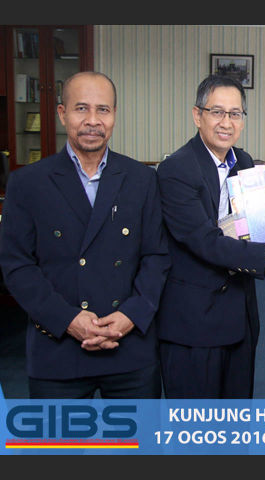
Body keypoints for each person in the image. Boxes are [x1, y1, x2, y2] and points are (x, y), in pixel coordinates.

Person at [0, 71, 170, 398]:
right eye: (81, 108)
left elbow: (157, 256)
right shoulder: (27, 183)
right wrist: (68, 320)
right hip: (57, 348)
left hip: (129, 346)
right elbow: (17, 266)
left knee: (139, 434)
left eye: (102, 109)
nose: (93, 120)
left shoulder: (141, 179)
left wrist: (131, 315)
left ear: (114, 115)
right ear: (62, 113)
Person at [156, 75, 265, 398]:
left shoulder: (244, 164)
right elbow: (204, 241)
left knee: (236, 416)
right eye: (217, 112)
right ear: (197, 115)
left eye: (235, 114)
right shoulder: (175, 170)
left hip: (239, 314)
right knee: (195, 423)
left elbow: (255, 230)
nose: (227, 122)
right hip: (193, 322)